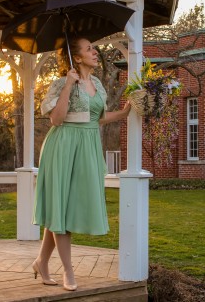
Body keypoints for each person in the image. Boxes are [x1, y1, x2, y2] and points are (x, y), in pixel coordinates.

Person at [32, 36, 131, 291]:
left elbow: (95, 118)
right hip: (62, 146)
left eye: (93, 48)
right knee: (60, 211)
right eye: (89, 49)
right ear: (76, 57)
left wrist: (122, 114)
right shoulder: (59, 84)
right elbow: (56, 119)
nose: (95, 52)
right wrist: (67, 85)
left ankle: (41, 262)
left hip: (87, 146)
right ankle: (68, 271)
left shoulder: (97, 82)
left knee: (65, 210)